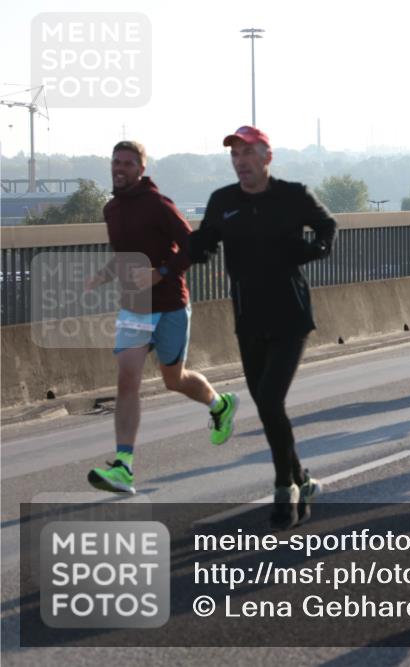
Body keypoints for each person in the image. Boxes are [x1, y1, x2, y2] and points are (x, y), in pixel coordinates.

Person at [189, 126, 336, 530]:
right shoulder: (223, 201)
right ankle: (302, 480)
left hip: (290, 315)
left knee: (270, 399)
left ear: (266, 157)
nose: (240, 162)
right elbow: (204, 241)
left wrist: (311, 251)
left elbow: (327, 228)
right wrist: (188, 252)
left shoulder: (293, 195)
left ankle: (282, 488)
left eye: (247, 153)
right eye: (234, 155)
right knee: (267, 407)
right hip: (248, 317)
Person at [85, 141, 239, 495]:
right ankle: (123, 465)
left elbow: (194, 246)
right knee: (127, 380)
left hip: (169, 305)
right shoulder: (111, 210)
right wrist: (103, 275)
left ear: (140, 169)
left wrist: (162, 272)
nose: (119, 168)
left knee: (174, 379)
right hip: (134, 307)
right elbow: (125, 256)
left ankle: (220, 404)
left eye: (127, 163)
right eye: (115, 162)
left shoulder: (159, 206)